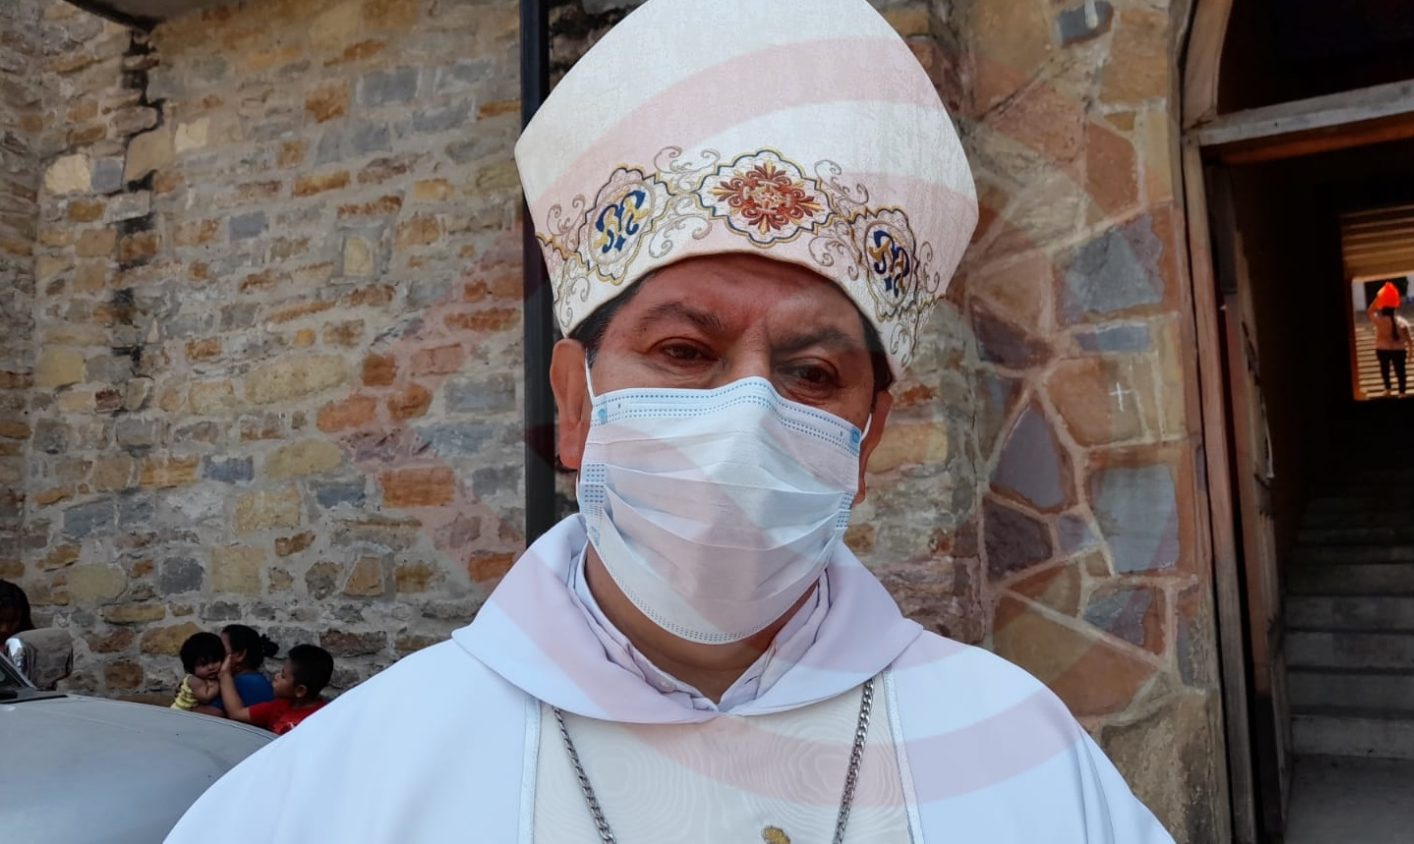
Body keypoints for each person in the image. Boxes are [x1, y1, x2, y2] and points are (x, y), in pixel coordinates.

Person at [169, 1, 1172, 841]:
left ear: (866, 439)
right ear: (575, 405)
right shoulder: (352, 783)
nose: (746, 414)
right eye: (685, 352)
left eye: (811, 371)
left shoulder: (1018, 749)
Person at [217, 644, 332, 737]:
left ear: (300, 690)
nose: (276, 676)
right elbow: (236, 713)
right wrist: (225, 675)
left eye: (283, 676)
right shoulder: (280, 705)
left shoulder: (320, 721)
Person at [1369, 285, 1414, 398]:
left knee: (1385, 370)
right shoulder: (1402, 322)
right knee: (1401, 372)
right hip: (1399, 350)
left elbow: (1370, 312)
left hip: (1382, 349)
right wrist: (1410, 353)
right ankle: (1402, 392)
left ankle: (1388, 389)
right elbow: (1409, 340)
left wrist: (1378, 298)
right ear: (1394, 309)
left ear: (1383, 310)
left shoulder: (1380, 321)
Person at [220, 623, 277, 708]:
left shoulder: (248, 683)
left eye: (220, 648)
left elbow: (210, 713)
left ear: (240, 654)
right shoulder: (253, 680)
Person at [170, 631, 227, 714]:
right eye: (204, 664)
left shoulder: (205, 678)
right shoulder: (194, 680)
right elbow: (206, 698)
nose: (211, 667)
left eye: (215, 661)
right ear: (191, 668)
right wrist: (218, 684)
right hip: (181, 713)